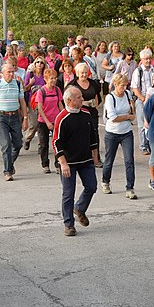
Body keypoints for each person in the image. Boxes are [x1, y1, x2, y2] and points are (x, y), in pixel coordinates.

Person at [53, 86, 101, 236]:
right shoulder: (62, 118)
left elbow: (93, 137)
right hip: (68, 163)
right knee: (68, 193)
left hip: (86, 159)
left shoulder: (86, 114)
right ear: (69, 100)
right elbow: (56, 143)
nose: (82, 99)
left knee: (91, 186)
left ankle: (79, 208)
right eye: (79, 97)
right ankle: (69, 224)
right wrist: (63, 163)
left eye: (81, 97)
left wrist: (95, 156)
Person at [0, 61, 29, 181]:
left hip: (15, 116)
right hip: (1, 117)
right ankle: (7, 171)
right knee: (6, 145)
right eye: (8, 72)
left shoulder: (18, 84)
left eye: (12, 71)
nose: (11, 74)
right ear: (2, 73)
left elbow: (22, 102)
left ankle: (10, 164)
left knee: (18, 144)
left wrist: (25, 119)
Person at [102, 74, 138, 199]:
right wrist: (127, 117)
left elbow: (132, 110)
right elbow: (113, 118)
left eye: (125, 85)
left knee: (129, 160)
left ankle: (130, 188)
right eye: (122, 85)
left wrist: (132, 109)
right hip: (112, 133)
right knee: (109, 160)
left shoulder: (128, 94)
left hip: (126, 132)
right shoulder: (110, 98)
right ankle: (105, 181)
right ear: (115, 85)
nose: (124, 88)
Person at [68, 63, 103, 167]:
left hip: (92, 112)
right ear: (77, 73)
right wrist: (82, 103)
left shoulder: (93, 83)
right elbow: (68, 100)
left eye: (85, 72)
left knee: (94, 133)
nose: (84, 75)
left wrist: (95, 104)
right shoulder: (72, 85)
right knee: (79, 134)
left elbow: (98, 96)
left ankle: (96, 158)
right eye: (81, 73)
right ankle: (80, 157)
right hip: (78, 113)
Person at [33, 68, 64, 174]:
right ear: (46, 79)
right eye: (51, 78)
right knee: (44, 144)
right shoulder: (41, 91)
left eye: (55, 78)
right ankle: (45, 164)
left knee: (57, 143)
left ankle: (58, 163)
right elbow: (40, 109)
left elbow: (60, 104)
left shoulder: (57, 90)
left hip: (55, 119)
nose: (54, 80)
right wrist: (47, 122)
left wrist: (64, 115)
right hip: (43, 121)